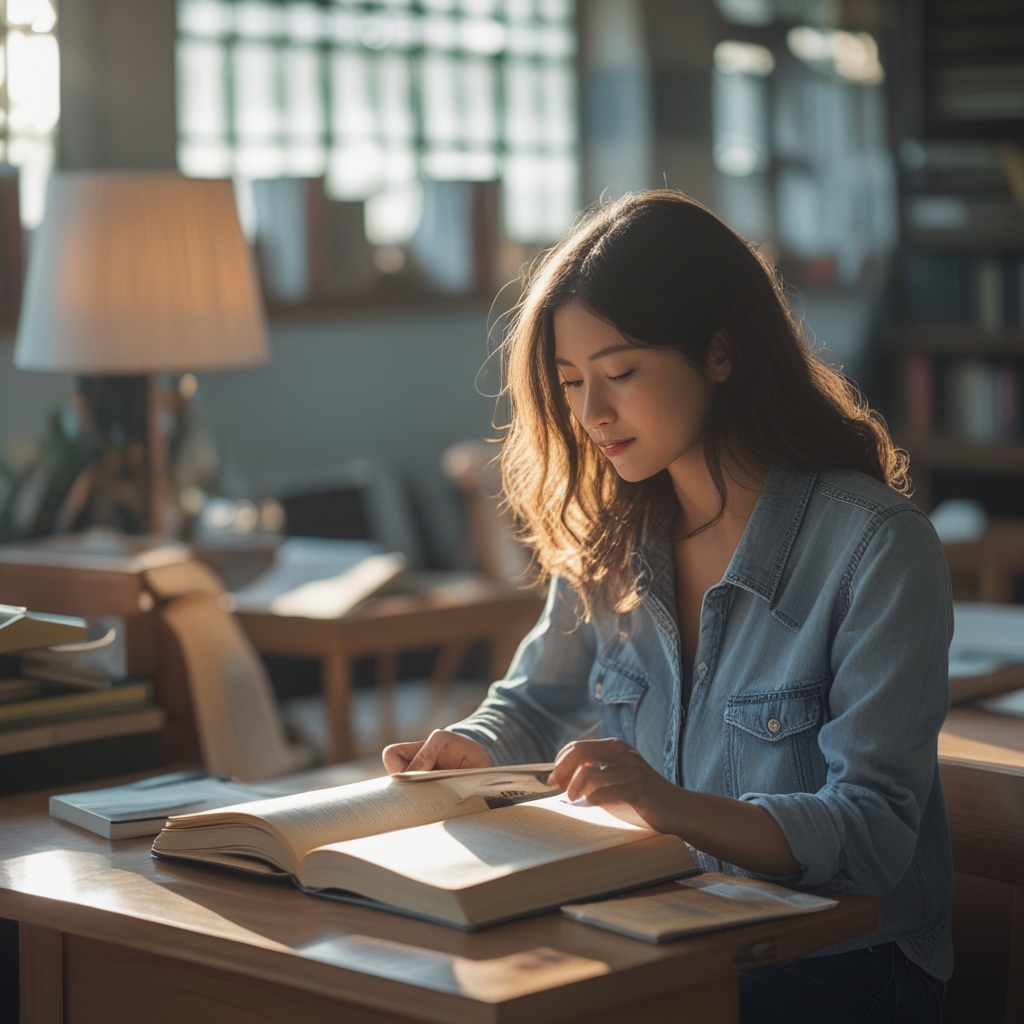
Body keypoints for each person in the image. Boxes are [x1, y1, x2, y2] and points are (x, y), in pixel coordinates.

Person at [383, 191, 951, 1023]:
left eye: (620, 374)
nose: (591, 415)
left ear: (721, 353)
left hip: (839, 966)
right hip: (655, 930)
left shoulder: (876, 547)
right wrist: (474, 746)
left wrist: (666, 803)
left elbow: (868, 837)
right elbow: (537, 701)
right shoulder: (613, 536)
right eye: (572, 383)